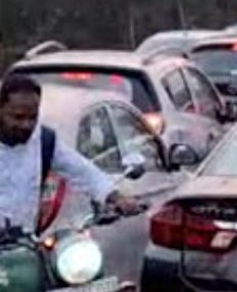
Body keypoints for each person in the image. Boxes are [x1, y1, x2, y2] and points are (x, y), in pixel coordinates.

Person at [0, 75, 140, 232]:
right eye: (18, 117)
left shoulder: (45, 141)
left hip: (23, 245)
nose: (26, 125)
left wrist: (116, 197)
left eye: (32, 117)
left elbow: (82, 170)